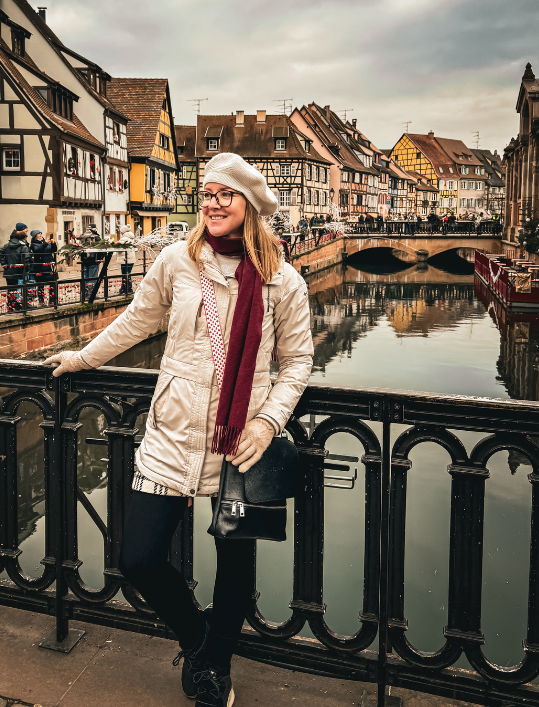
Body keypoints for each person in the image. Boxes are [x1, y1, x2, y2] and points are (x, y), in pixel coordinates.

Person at [44, 151, 312, 707]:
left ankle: (215, 667)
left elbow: (298, 362)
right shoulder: (175, 261)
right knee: (137, 556)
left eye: (225, 194)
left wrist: (267, 421)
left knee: (235, 568)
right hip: (171, 435)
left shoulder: (282, 280)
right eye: (207, 194)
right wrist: (82, 359)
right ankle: (197, 641)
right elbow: (137, 321)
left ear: (249, 204)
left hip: (241, 445)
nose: (212, 203)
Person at [0, 223, 31, 311]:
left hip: (9, 270)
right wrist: (25, 267)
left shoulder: (8, 245)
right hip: (19, 270)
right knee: (18, 288)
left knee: (11, 288)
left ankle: (11, 306)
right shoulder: (23, 246)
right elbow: (26, 258)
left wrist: (4, 264)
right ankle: (16, 305)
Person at [30, 230, 58, 307]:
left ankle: (52, 301)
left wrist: (53, 243)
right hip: (40, 267)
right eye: (38, 234)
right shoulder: (33, 244)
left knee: (53, 283)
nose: (40, 235)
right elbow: (38, 250)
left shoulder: (45, 242)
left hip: (49, 266)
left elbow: (53, 250)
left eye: (40, 233)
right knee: (40, 285)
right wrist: (46, 243)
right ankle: (41, 301)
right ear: (35, 236)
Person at [80, 227, 105, 301]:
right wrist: (102, 257)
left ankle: (84, 295)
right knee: (92, 278)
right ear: (94, 229)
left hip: (84, 261)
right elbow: (101, 247)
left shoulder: (84, 236)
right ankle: (91, 295)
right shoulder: (96, 237)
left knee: (85, 278)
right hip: (94, 260)